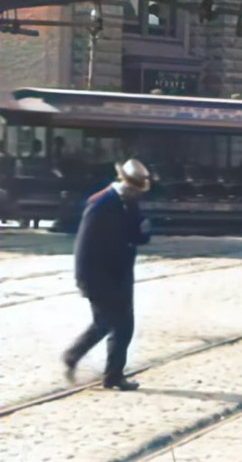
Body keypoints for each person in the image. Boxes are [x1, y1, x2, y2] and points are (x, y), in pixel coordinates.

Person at [62, 159, 152, 391]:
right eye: (134, 189)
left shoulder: (128, 202)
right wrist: (84, 280)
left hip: (120, 275)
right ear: (125, 182)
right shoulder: (101, 203)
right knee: (121, 326)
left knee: (105, 324)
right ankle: (113, 376)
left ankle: (74, 356)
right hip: (99, 276)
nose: (137, 194)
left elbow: (136, 236)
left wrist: (144, 230)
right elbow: (85, 245)